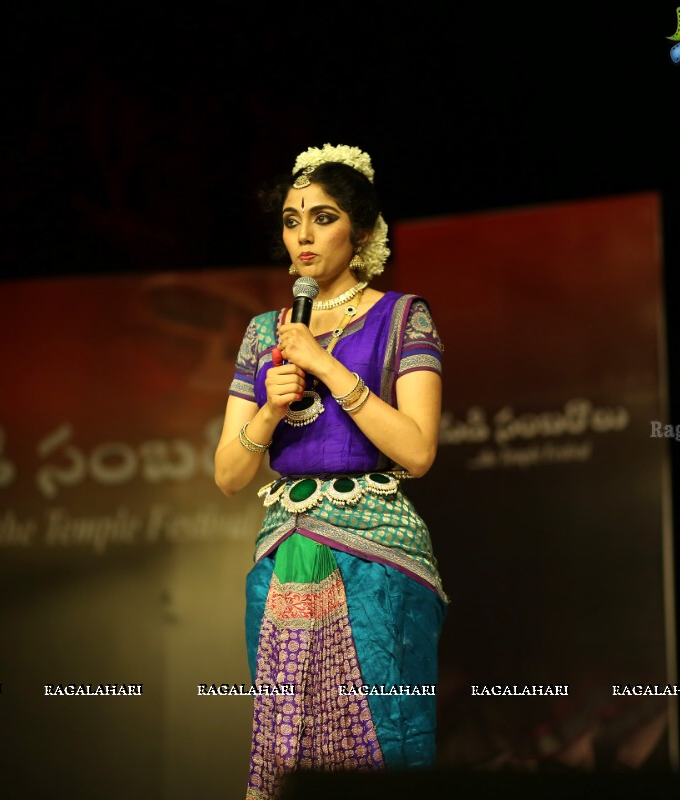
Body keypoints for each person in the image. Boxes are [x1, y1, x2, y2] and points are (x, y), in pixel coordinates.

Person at [214, 144, 447, 798]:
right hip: (283, 556)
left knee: (382, 744)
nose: (303, 235)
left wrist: (328, 366)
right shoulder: (267, 332)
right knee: (285, 754)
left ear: (364, 231)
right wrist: (269, 409)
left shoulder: (404, 317)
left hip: (377, 561)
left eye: (322, 217)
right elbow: (229, 474)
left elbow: (419, 452)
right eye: (291, 220)